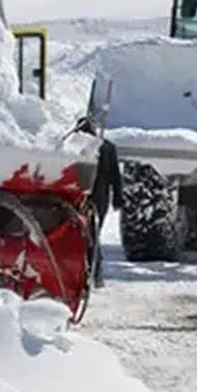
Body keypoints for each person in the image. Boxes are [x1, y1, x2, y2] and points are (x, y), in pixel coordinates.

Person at [82, 118, 121, 289]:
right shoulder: (77, 149)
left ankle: (94, 273)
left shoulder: (106, 148)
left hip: (98, 198)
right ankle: (92, 273)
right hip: (88, 198)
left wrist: (118, 197)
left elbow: (115, 175)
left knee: (92, 235)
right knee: (89, 236)